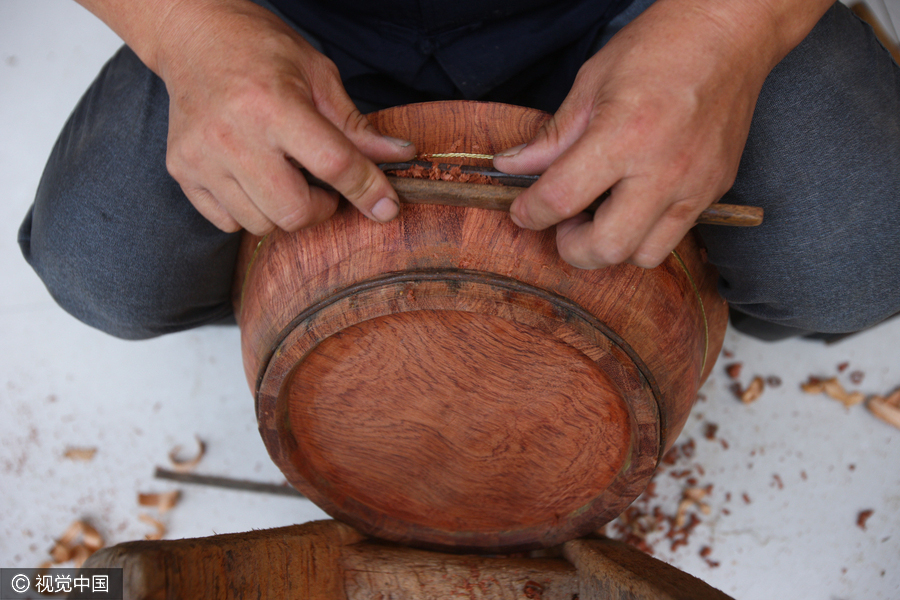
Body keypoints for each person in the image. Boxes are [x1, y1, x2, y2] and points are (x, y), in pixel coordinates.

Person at [18, 0, 900, 341]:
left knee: (860, 262)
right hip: (277, 23)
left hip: (663, 13)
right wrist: (188, 34)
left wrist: (727, 36)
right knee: (106, 272)